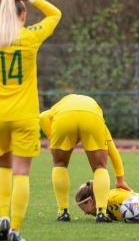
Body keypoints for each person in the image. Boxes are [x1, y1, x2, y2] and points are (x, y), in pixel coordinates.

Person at [0, 0, 61, 241]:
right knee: (21, 173)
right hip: (25, 116)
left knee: (3, 168)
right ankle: (16, 230)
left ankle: (2, 218)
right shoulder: (31, 37)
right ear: (23, 16)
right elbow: (55, 15)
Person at [39, 94, 131, 223]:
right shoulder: (98, 117)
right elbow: (113, 151)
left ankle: (63, 212)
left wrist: (52, 138)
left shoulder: (60, 105)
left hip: (63, 118)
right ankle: (101, 213)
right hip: (91, 116)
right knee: (100, 166)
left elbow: (42, 117)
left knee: (59, 164)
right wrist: (120, 179)